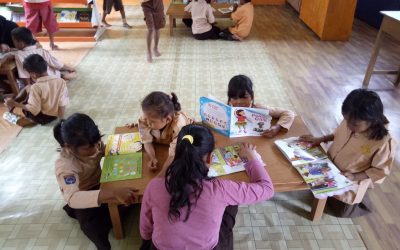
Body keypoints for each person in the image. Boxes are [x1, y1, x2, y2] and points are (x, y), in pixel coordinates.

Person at [139, 124, 275, 249]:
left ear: (177, 153)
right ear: (210, 157)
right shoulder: (221, 189)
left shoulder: (154, 186)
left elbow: (145, 232)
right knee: (231, 204)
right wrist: (251, 157)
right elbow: (267, 189)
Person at [300, 89, 396, 217]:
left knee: (339, 210)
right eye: (346, 120)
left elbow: (380, 171)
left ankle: (360, 202)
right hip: (329, 169)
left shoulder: (383, 142)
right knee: (313, 191)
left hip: (348, 182)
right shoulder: (351, 119)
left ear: (372, 120)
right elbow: (337, 134)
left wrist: (355, 177)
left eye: (355, 124)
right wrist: (321, 139)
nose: (349, 126)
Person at [54, 113, 138, 250]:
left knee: (133, 194)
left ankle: (111, 213)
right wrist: (113, 193)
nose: (95, 149)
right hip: (83, 193)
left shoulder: (93, 142)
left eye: (97, 142)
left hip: (100, 184)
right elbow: (73, 197)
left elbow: (105, 150)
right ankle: (103, 245)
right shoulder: (65, 166)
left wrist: (132, 136)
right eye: (88, 148)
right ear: (68, 146)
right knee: (92, 226)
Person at [134, 91, 194, 172]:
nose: (147, 123)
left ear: (168, 119)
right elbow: (146, 141)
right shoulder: (146, 119)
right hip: (164, 142)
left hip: (178, 139)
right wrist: (152, 158)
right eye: (146, 118)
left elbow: (173, 153)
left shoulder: (179, 126)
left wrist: (162, 173)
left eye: (152, 121)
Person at [4, 54, 69, 127]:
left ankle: (14, 108)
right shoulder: (60, 81)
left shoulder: (35, 88)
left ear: (33, 74)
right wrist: (61, 118)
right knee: (28, 87)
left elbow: (34, 109)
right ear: (46, 66)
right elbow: (62, 103)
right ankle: (12, 104)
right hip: (55, 115)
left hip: (42, 118)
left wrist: (15, 104)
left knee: (7, 115)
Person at [227, 74, 296, 138]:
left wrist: (277, 127)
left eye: (245, 97)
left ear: (252, 96)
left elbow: (288, 113)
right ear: (230, 98)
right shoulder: (225, 109)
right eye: (234, 98)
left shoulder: (259, 108)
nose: (239, 102)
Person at [11, 27, 76, 86]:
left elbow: (24, 74)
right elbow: (54, 62)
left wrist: (28, 87)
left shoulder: (19, 55)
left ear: (21, 44)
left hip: (38, 82)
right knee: (53, 71)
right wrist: (68, 68)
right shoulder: (41, 50)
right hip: (53, 75)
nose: (13, 43)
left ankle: (59, 81)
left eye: (14, 41)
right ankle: (62, 77)